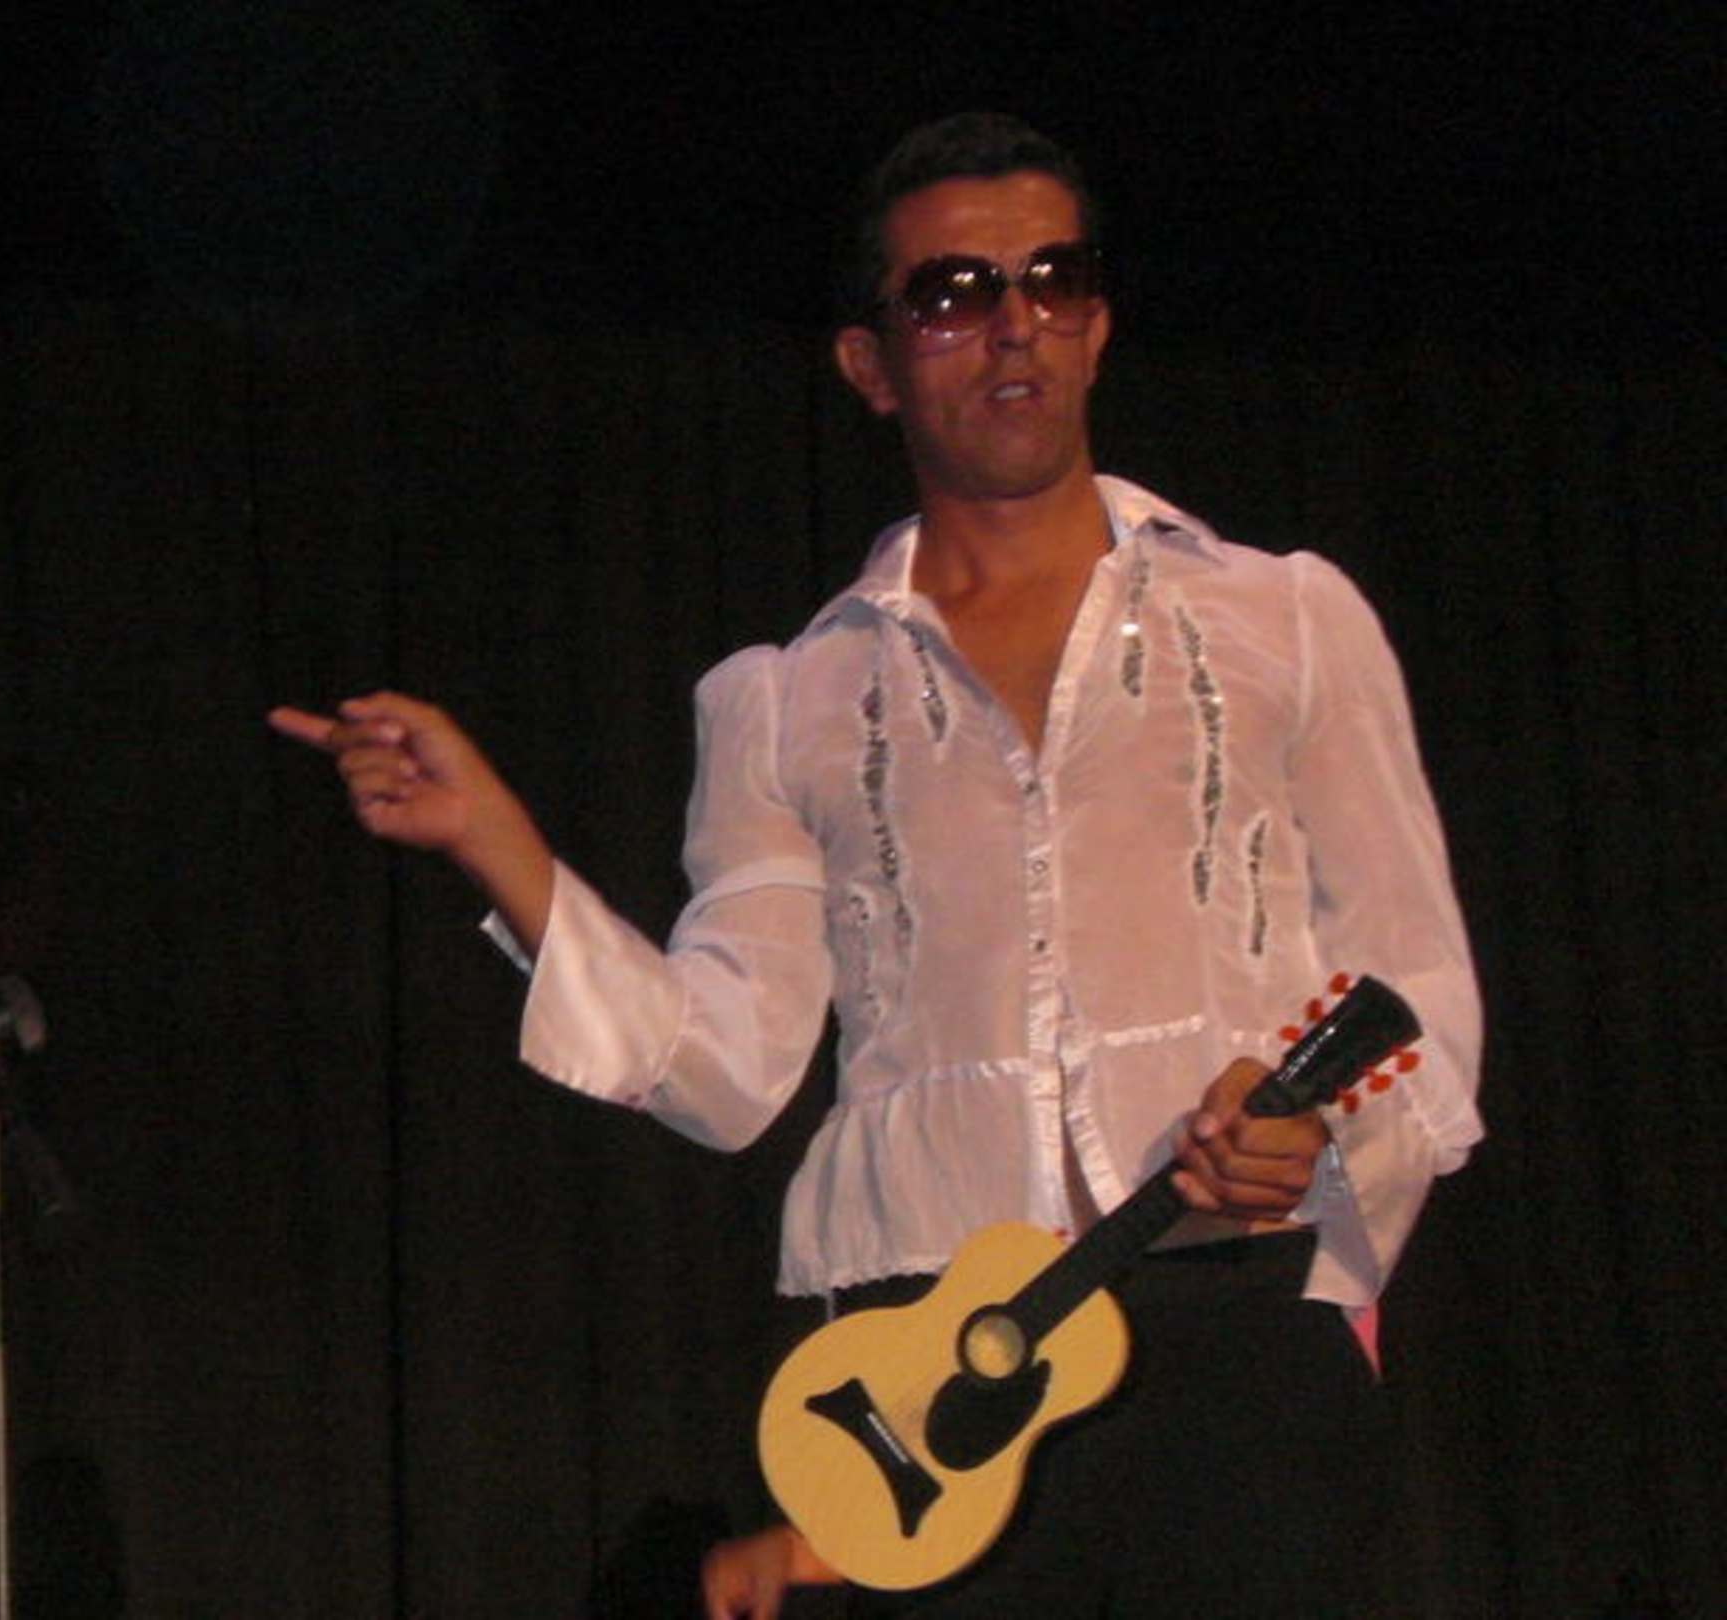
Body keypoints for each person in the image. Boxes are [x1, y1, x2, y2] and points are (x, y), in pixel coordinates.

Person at [273, 112, 1484, 1617]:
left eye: (1052, 279)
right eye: (956, 294)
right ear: (872, 363)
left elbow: (1417, 983)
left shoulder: (1283, 618)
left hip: (1234, 1343)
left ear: (1099, 324)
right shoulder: (791, 699)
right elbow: (727, 1072)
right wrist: (496, 844)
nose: (1015, 324)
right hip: (929, 1379)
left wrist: (1317, 1140)